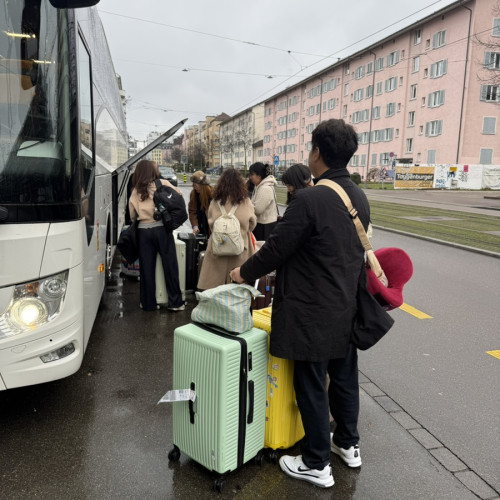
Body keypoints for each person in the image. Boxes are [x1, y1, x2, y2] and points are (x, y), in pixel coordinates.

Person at [230, 119, 369, 489]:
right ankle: (347, 444)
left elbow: (277, 249)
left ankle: (315, 462)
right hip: (346, 306)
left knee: (310, 383)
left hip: (311, 310)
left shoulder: (310, 199)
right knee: (344, 378)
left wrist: (243, 272)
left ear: (317, 152)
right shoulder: (358, 197)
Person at [128, 159, 185, 312]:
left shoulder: (136, 191)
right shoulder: (162, 183)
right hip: (162, 230)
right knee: (170, 266)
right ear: (152, 171)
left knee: (146, 269)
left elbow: (132, 214)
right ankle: (175, 303)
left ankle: (148, 304)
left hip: (143, 232)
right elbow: (179, 195)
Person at [197, 169, 256, 290]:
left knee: (215, 288)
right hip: (240, 250)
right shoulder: (246, 201)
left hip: (218, 246)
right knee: (237, 290)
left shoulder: (215, 202)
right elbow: (252, 224)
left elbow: (211, 224)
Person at [248, 162, 278, 241]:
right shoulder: (259, 186)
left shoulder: (265, 188)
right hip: (263, 224)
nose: (250, 177)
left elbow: (258, 210)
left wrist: (246, 205)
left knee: (261, 246)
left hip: (265, 226)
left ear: (259, 176)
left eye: (252, 174)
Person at [188, 170, 212, 235]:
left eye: (196, 185)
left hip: (212, 228)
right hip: (201, 227)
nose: (195, 187)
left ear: (203, 185)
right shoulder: (193, 194)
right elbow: (192, 211)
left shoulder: (213, 194)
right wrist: (195, 226)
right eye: (194, 185)